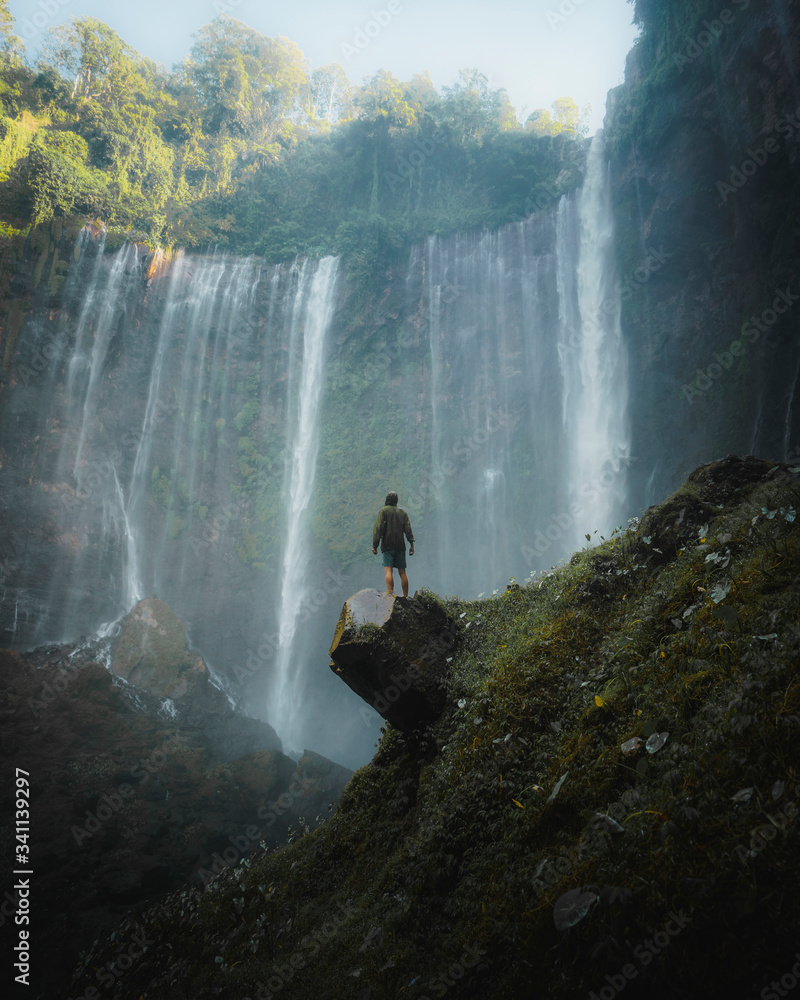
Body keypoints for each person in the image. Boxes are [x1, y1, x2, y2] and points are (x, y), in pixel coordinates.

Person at [372, 491, 414, 597]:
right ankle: (405, 596)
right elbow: (408, 529)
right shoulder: (402, 513)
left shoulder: (384, 511)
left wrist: (375, 545)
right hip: (400, 545)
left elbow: (378, 528)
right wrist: (411, 544)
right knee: (402, 572)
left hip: (387, 545)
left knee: (388, 570)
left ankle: (391, 595)